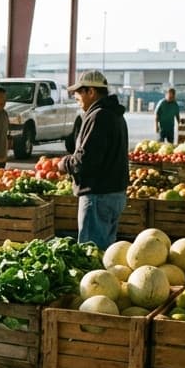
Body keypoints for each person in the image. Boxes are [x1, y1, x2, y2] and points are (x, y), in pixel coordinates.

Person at [58, 70, 129, 250]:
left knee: (91, 255)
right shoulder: (115, 114)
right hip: (113, 194)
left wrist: (63, 164)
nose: (75, 96)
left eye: (79, 91)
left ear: (91, 92)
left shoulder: (99, 116)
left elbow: (85, 161)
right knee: (105, 252)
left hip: (98, 195)